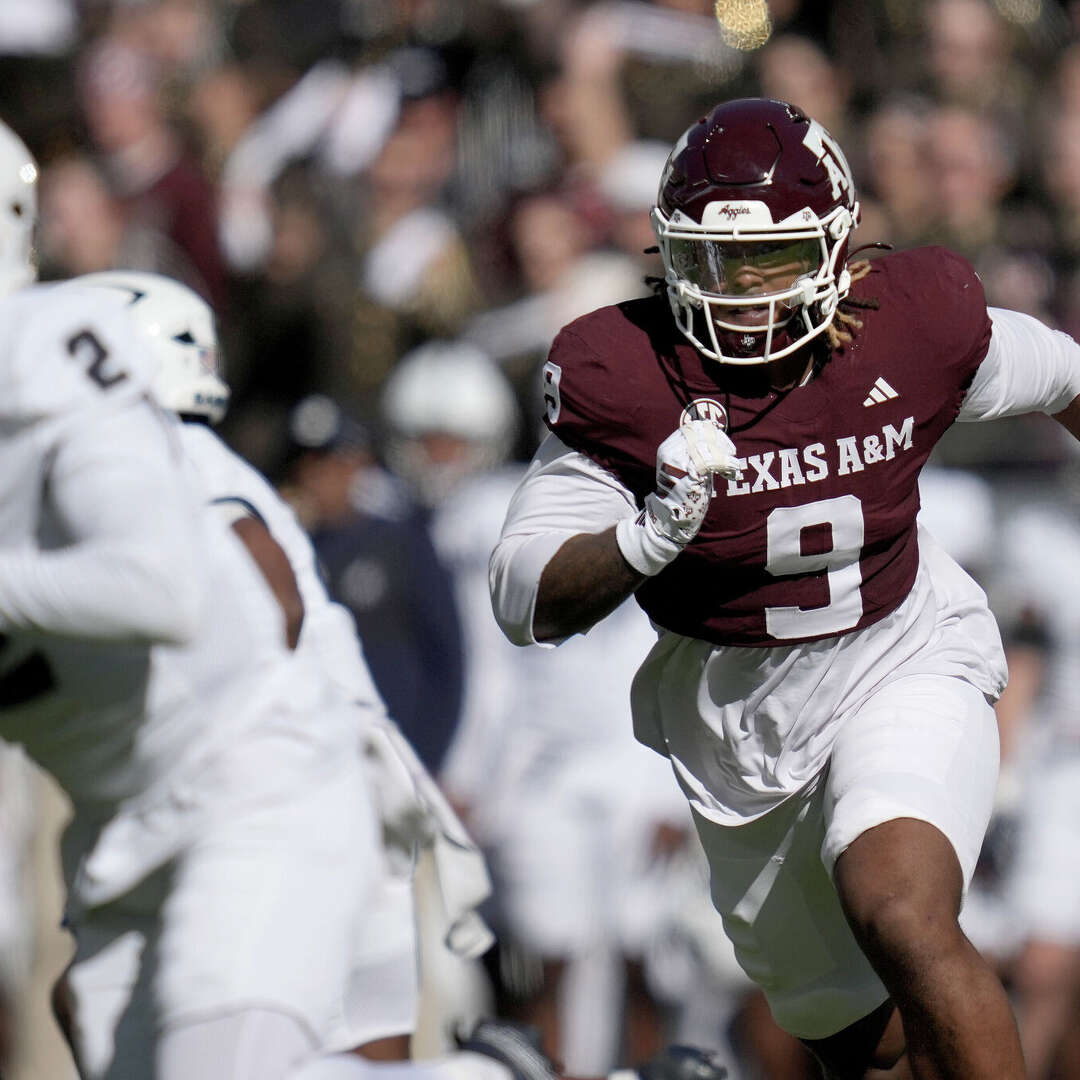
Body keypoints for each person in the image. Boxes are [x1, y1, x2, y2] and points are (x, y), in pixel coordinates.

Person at [487, 97, 1080, 1078]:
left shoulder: (911, 322)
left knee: (899, 906)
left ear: (840, 250)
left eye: (775, 259)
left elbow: (1062, 375)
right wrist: (644, 539)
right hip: (736, 728)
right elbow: (522, 595)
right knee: (865, 1038)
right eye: (721, 265)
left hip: (902, 652)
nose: (748, 296)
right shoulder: (625, 373)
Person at [63, 268, 726, 1080]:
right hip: (317, 792)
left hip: (273, 801)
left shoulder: (203, 489)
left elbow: (285, 609)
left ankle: (497, 1075)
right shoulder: (227, 485)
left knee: (175, 1037)